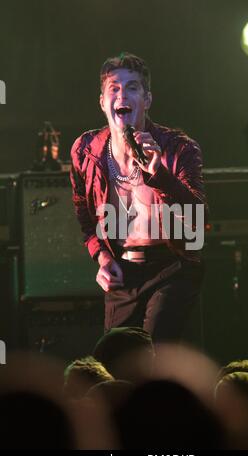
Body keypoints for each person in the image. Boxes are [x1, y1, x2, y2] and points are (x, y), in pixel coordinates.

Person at [70, 52, 207, 343]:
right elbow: (84, 213)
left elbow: (199, 219)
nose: (122, 94)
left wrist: (159, 174)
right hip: (124, 271)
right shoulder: (86, 150)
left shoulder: (178, 148)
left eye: (132, 87)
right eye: (114, 88)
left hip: (172, 266)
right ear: (102, 101)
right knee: (116, 363)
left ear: (147, 100)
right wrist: (103, 256)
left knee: (155, 354)